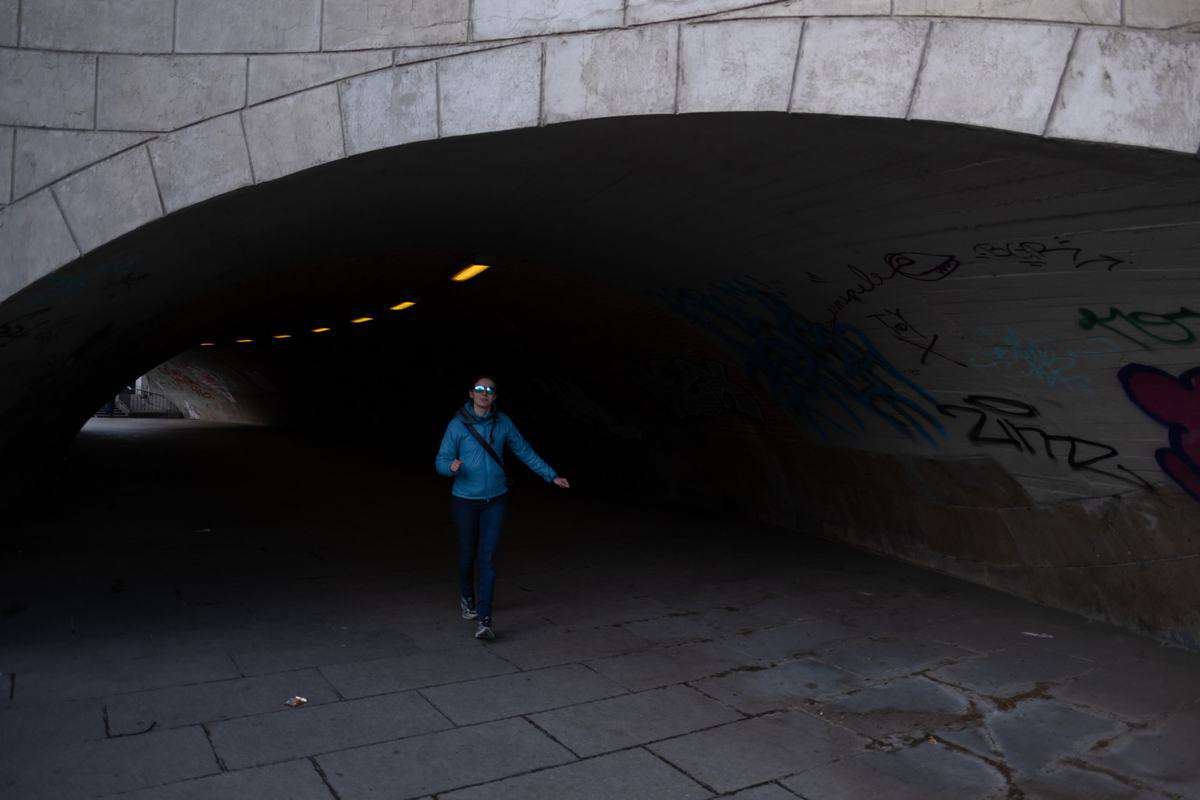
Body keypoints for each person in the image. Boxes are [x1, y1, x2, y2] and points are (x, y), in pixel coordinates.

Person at [435, 376, 569, 640]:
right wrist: (449, 467)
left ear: (494, 397)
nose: (485, 394)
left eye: (490, 391)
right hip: (465, 500)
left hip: (495, 500)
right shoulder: (457, 425)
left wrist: (550, 475)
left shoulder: (503, 422)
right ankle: (467, 598)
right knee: (467, 556)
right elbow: (441, 459)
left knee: (488, 558)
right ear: (471, 394)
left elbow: (524, 450)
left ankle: (485, 619)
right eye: (480, 389)